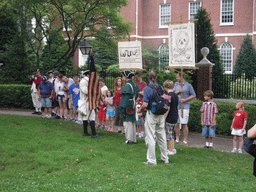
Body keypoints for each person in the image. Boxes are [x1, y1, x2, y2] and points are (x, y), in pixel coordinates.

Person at [139, 70, 169, 165]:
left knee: (151, 136)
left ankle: (152, 160)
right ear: (156, 77)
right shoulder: (161, 87)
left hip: (151, 114)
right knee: (161, 136)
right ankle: (165, 158)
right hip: (160, 114)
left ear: (148, 78)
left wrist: (139, 110)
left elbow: (145, 104)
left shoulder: (147, 88)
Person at [173, 72, 196, 146]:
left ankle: (185, 140)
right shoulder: (176, 86)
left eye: (177, 77)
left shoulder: (188, 85)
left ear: (182, 77)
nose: (176, 78)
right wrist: (179, 91)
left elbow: (193, 95)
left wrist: (185, 99)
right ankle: (177, 139)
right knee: (177, 123)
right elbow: (172, 94)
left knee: (184, 123)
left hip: (185, 107)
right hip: (177, 107)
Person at [79, 70, 102, 138]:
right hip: (86, 101)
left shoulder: (90, 81)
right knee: (88, 117)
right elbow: (85, 91)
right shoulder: (83, 81)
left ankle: (88, 132)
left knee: (91, 116)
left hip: (90, 101)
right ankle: (90, 133)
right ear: (88, 75)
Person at [119, 70, 140, 144]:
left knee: (128, 123)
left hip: (128, 106)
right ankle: (133, 139)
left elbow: (124, 100)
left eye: (123, 76)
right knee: (132, 123)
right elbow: (137, 94)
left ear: (126, 77)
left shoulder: (127, 85)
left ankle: (129, 140)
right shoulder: (134, 85)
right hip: (132, 105)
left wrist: (122, 109)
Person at [163, 80, 178, 156]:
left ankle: (170, 150)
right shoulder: (175, 95)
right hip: (175, 116)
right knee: (172, 132)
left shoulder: (168, 96)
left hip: (170, 117)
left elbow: (167, 108)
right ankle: (173, 148)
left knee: (169, 134)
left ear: (165, 87)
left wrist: (164, 118)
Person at [134, 72, 147, 138]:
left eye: (136, 77)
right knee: (136, 116)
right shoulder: (134, 83)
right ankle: (136, 131)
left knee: (140, 116)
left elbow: (143, 93)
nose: (135, 79)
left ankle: (142, 131)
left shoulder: (144, 84)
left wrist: (137, 92)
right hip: (135, 101)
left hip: (141, 101)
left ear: (139, 76)